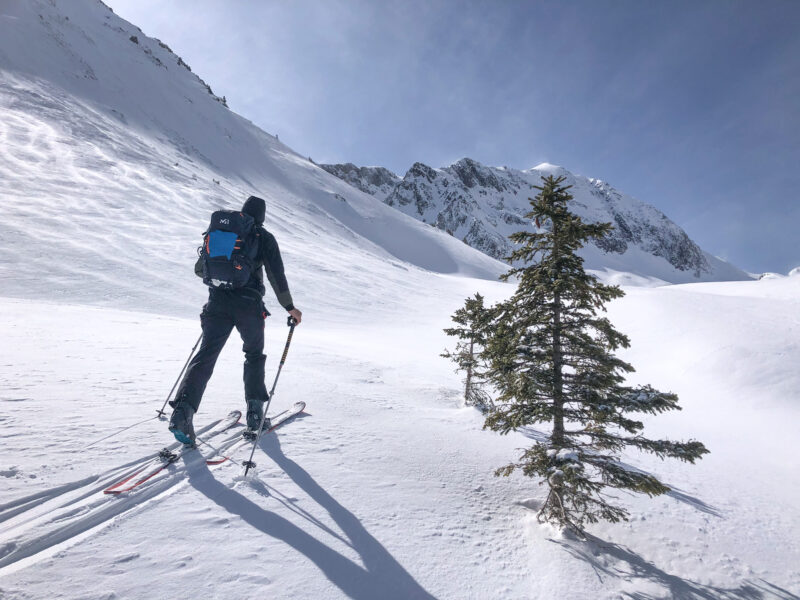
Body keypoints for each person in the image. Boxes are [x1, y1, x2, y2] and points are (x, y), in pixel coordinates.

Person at [168, 195, 302, 444]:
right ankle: (254, 415)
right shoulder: (263, 237)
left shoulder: (224, 233)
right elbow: (276, 275)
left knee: (206, 355)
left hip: (217, 302)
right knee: (253, 355)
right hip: (249, 307)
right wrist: (290, 307)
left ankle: (182, 414)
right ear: (262, 216)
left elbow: (200, 269)